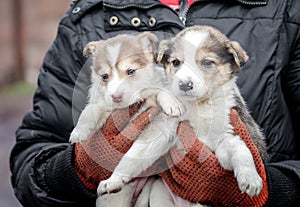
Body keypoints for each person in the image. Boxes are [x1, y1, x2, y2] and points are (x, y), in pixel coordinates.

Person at [9, 0, 300, 206]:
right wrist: (82, 166)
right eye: (175, 63)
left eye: (207, 64)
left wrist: (269, 191)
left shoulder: (285, 9)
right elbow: (31, 166)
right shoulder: (86, 18)